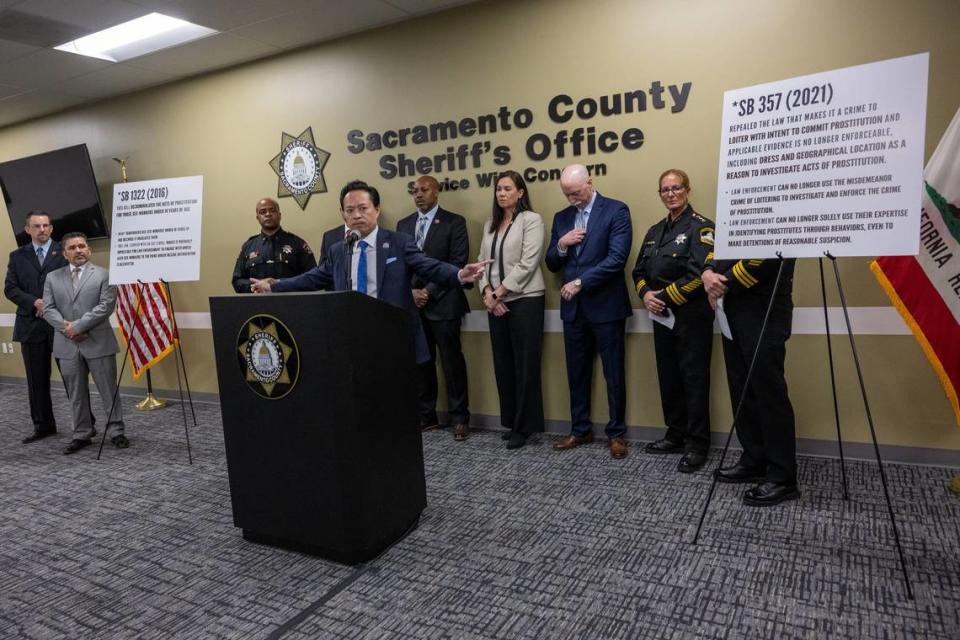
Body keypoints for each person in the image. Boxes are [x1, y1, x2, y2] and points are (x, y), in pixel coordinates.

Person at [250, 180, 490, 368]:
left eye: (363, 208)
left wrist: (459, 274)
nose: (356, 215)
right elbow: (313, 277)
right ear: (343, 214)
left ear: (376, 210)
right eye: (350, 210)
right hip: (353, 334)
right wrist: (274, 285)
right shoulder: (339, 250)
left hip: (393, 334)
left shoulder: (398, 243)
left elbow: (430, 267)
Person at [545, 165, 633, 459]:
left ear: (590, 183)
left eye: (576, 192)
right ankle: (580, 429)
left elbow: (616, 259)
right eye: (567, 194)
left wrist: (581, 282)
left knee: (614, 374)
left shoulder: (616, 210)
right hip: (574, 311)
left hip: (606, 307)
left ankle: (617, 434)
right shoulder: (562, 218)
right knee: (576, 373)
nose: (572, 199)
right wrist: (561, 244)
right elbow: (552, 263)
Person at [632, 169, 715, 472]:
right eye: (664, 190)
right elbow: (638, 271)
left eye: (675, 188)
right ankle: (675, 434)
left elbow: (698, 276)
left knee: (694, 379)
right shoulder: (655, 231)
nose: (670, 194)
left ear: (687, 190)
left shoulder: (702, 228)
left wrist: (662, 297)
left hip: (691, 316)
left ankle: (697, 444)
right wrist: (645, 296)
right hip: (661, 316)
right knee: (669, 377)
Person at [702, 246, 799, 506]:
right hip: (732, 310)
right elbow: (717, 247)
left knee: (769, 394)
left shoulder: (778, 211)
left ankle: (782, 476)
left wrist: (722, 283)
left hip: (763, 311)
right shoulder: (733, 211)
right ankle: (754, 459)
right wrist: (707, 273)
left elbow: (769, 256)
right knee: (742, 389)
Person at [397, 176, 472, 438]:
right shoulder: (403, 225)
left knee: (451, 363)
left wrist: (428, 292)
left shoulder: (454, 222)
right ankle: (426, 416)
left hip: (445, 304)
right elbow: (398, 266)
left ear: (436, 192)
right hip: (413, 306)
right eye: (415, 191)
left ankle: (460, 418)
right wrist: (411, 293)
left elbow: (457, 262)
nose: (418, 195)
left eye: (424, 190)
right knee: (421, 364)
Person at [477, 170, 546, 450]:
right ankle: (511, 422)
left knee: (526, 364)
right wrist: (486, 293)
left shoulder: (532, 220)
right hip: (495, 302)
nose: (501, 193)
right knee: (503, 363)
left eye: (507, 188)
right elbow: (481, 262)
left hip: (526, 300)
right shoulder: (489, 224)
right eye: (498, 189)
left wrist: (499, 292)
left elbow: (529, 262)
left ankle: (524, 426)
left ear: (520, 192)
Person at [42, 232, 129, 454]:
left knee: (108, 391)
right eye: (72, 247)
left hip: (98, 342)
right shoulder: (52, 277)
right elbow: (48, 309)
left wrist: (78, 327)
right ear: (65, 253)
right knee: (75, 393)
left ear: (89, 250)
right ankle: (82, 433)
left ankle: (116, 431)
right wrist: (67, 329)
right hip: (67, 345)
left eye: (82, 246)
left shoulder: (104, 275)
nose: (78, 250)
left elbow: (106, 306)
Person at [4, 211, 67, 443]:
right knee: (36, 380)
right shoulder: (17, 256)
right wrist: (35, 302)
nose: (42, 229)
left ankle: (84, 424)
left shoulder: (65, 251)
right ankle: (43, 426)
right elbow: (10, 289)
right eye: (37, 226)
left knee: (73, 377)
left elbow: (74, 283)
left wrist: (49, 304)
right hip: (30, 326)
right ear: (27, 229)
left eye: (46, 225)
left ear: (51, 228)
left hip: (61, 324)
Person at [231, 197, 316, 293]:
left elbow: (312, 278)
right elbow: (237, 280)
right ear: (257, 218)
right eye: (263, 212)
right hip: (256, 304)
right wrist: (257, 286)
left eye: (272, 210)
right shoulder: (248, 246)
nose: (268, 214)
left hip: (291, 303)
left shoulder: (297, 244)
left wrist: (280, 284)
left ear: (279, 215)